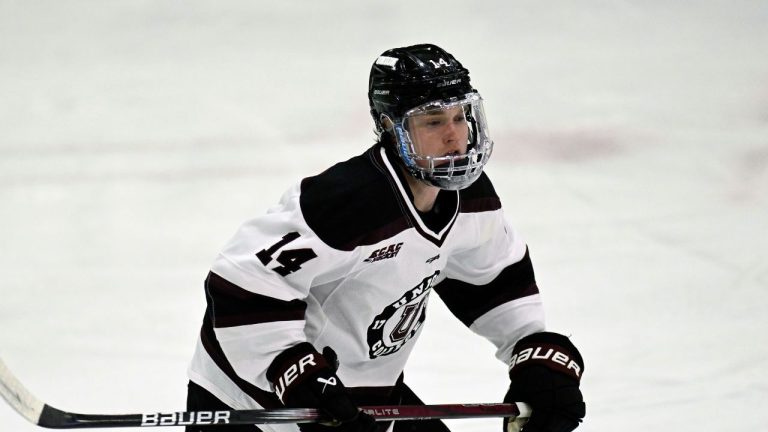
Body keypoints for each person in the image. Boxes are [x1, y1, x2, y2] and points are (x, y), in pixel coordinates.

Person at [186, 44, 586, 432]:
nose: (454, 136)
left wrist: (534, 350)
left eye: (459, 117)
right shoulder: (346, 203)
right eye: (432, 121)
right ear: (392, 129)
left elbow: (494, 281)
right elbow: (242, 285)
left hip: (365, 400)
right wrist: (294, 372)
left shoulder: (471, 197)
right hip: (257, 402)